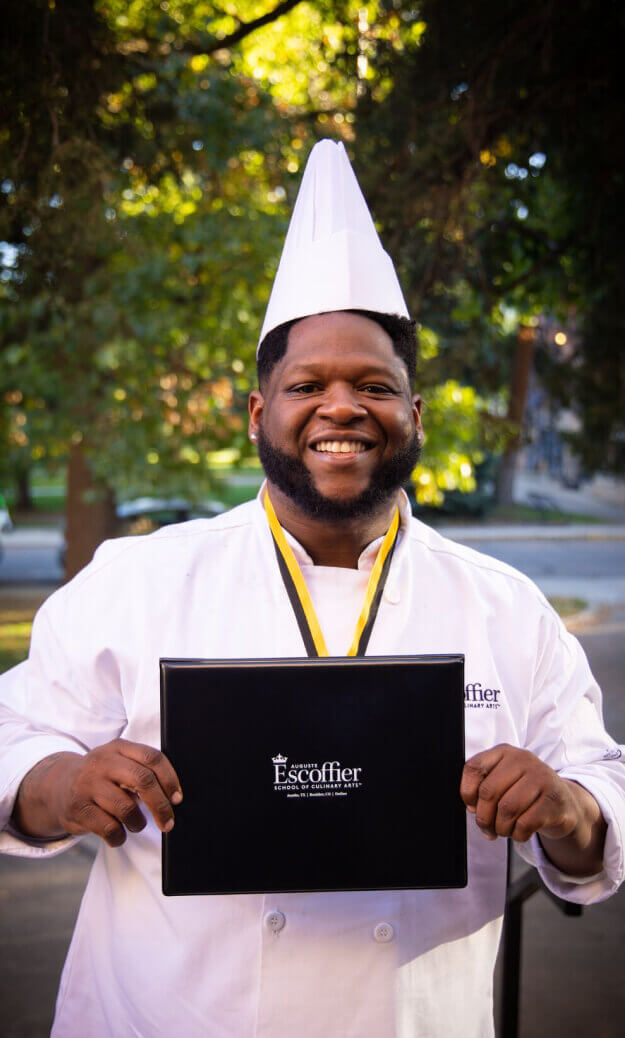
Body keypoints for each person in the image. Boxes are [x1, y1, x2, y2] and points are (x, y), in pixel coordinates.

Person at [0, 141, 623, 1038]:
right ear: (261, 414)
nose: (342, 407)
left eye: (375, 385)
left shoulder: (504, 605)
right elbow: (12, 739)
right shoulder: (137, 580)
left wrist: (569, 807)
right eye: (307, 385)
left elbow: (599, 794)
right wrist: (60, 786)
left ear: (414, 415)